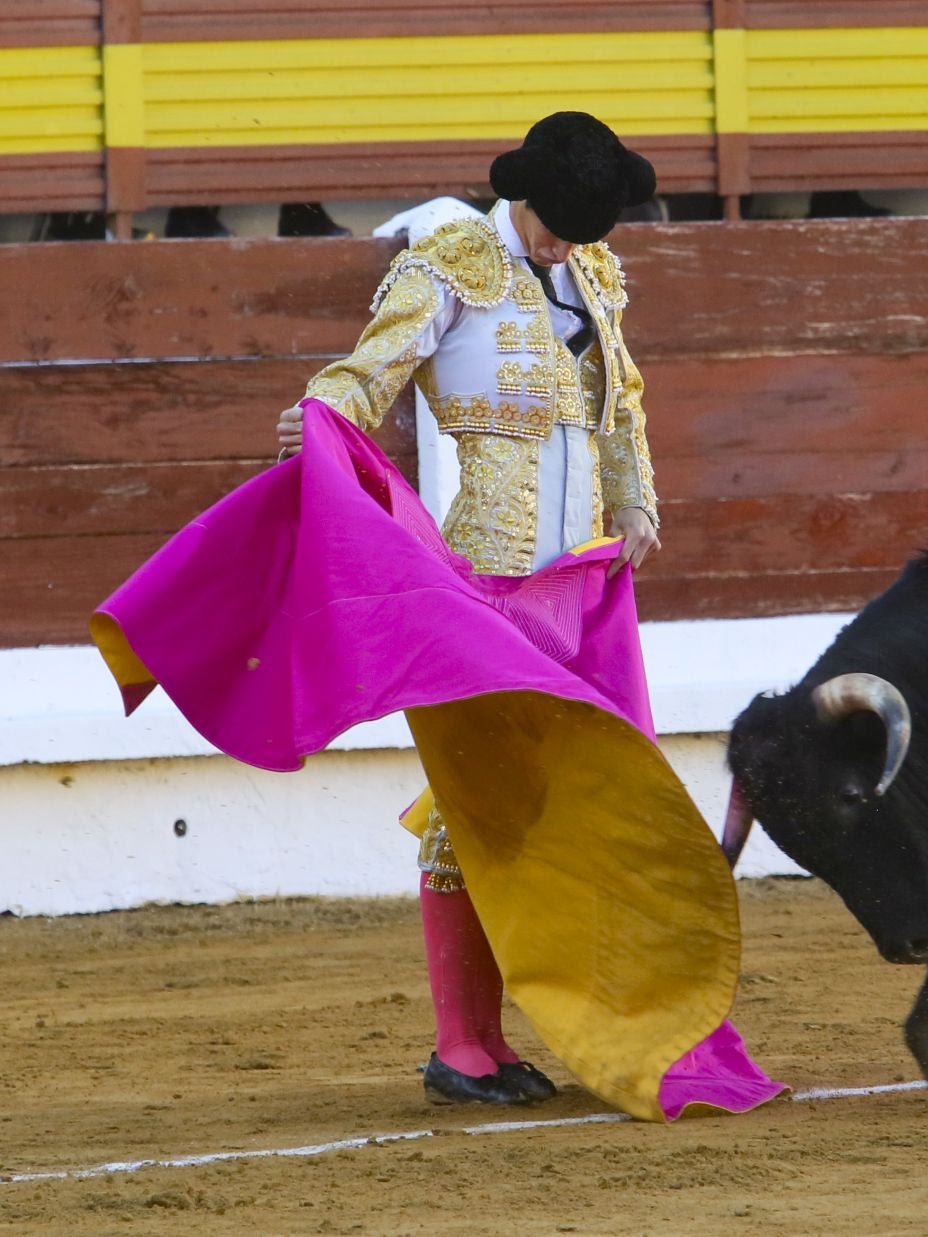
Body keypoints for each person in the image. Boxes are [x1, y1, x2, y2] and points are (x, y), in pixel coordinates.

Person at [274, 111, 669, 1105]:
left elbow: (619, 406)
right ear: (520, 195)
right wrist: (324, 417)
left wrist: (636, 501)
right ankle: (464, 1042)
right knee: (475, 801)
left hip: (578, 580)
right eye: (554, 226)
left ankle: (510, 1030)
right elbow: (374, 373)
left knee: (553, 802)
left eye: (583, 230)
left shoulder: (593, 276)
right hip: (486, 577)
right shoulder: (451, 262)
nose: (565, 246)